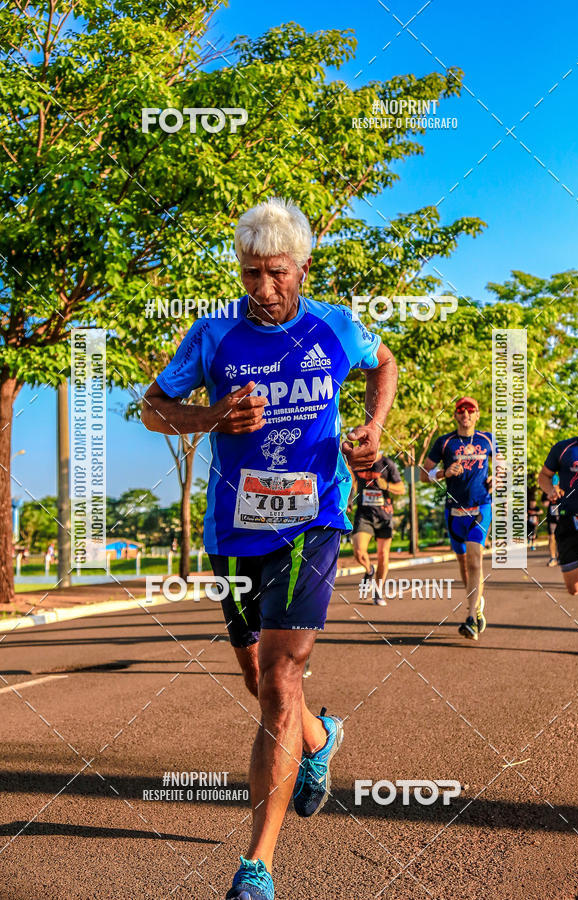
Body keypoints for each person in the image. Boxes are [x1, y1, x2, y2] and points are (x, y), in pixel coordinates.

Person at [141, 198, 398, 900]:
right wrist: (212, 414)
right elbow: (152, 405)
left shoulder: (333, 325)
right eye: (250, 274)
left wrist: (372, 427)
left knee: (282, 680)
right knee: (260, 682)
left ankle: (256, 867)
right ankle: (319, 740)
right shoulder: (213, 334)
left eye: (275, 274)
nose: (261, 290)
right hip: (234, 528)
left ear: (302, 268)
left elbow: (385, 362)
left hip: (313, 518)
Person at [420, 397, 500, 641]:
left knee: (476, 562)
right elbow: (422, 474)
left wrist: (496, 480)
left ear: (477, 415)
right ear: (455, 415)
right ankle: (476, 603)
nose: (465, 414)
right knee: (465, 565)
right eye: (461, 410)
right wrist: (444, 472)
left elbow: (502, 467)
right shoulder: (444, 442)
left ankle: (471, 618)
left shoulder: (488, 440)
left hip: (480, 507)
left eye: (470, 410)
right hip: (454, 511)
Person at [538, 401, 578, 657]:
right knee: (574, 588)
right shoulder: (563, 449)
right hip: (569, 522)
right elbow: (543, 475)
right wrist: (550, 489)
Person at [350, 453, 405, 605]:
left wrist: (386, 485)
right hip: (364, 515)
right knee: (359, 552)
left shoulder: (388, 464)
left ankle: (378, 591)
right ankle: (369, 570)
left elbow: (401, 488)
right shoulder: (357, 463)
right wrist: (349, 499)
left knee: (383, 554)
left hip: (384, 515)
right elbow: (350, 481)